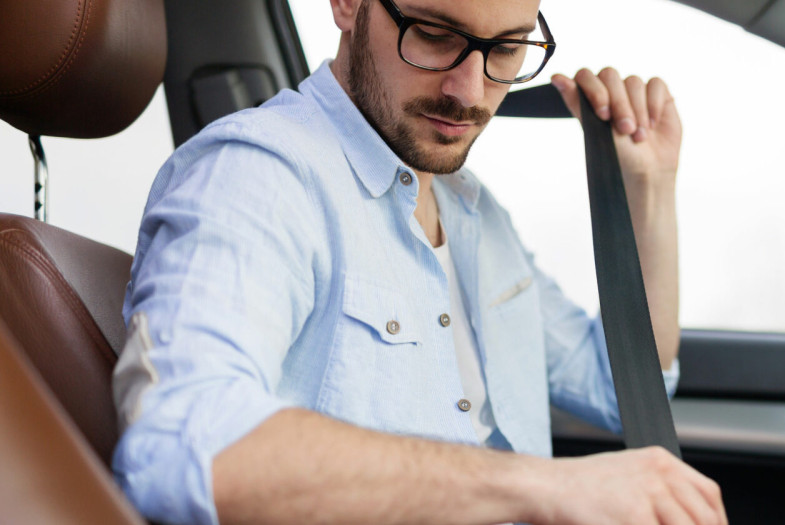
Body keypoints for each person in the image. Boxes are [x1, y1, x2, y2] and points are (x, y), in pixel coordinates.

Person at [110, 0, 727, 523]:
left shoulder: (473, 211)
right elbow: (181, 444)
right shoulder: (256, 177)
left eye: (507, 49)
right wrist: (539, 486)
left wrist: (649, 191)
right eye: (433, 35)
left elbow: (618, 389)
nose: (470, 92)